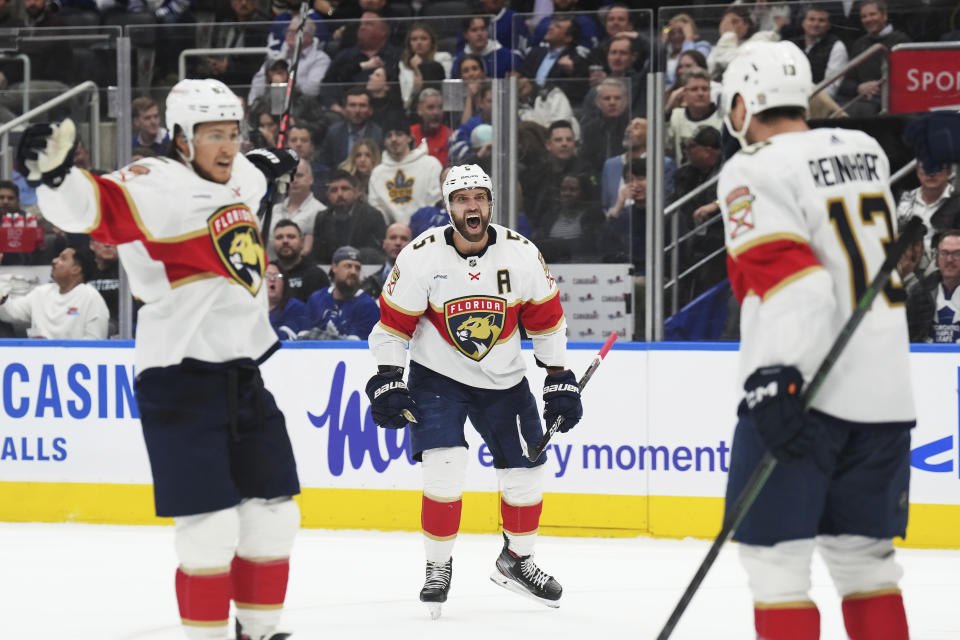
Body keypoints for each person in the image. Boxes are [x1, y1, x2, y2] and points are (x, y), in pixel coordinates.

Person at [17, 79, 302, 640]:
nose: (226, 146)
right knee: (210, 529)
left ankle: (261, 632)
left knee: (275, 516)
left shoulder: (234, 170)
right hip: (178, 377)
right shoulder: (154, 183)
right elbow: (90, 206)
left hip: (244, 373)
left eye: (232, 134)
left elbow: (251, 173)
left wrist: (269, 164)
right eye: (211, 135)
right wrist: (53, 177)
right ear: (179, 138)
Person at [717, 41, 913, 640]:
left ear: (742, 104)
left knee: (775, 566)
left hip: (805, 388)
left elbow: (797, 287)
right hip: (884, 392)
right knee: (865, 563)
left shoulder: (752, 167)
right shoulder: (865, 149)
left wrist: (776, 377)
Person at [365, 163, 582, 619]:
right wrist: (388, 378)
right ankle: (437, 568)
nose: (472, 207)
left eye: (479, 198)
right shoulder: (420, 256)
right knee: (445, 467)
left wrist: (559, 377)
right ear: (448, 207)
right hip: (437, 376)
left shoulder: (521, 254)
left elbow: (546, 321)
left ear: (490, 203)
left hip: (505, 378)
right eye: (462, 200)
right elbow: (393, 327)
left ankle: (517, 562)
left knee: (525, 475)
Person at [0, 246, 108, 339]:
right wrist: (2, 301)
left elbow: (95, 341)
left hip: (75, 360)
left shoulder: (90, 297)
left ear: (76, 269)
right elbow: (11, 312)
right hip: (38, 358)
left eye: (63, 259)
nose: (54, 261)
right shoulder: (41, 293)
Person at [836, 0, 910, 117]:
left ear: (884, 16)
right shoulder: (859, 44)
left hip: (889, 102)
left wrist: (878, 86)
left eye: (872, 14)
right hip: (862, 100)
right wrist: (859, 88)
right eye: (864, 16)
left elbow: (907, 78)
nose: (868, 19)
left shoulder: (900, 42)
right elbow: (846, 82)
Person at [367, 112, 442, 226]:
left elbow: (436, 202)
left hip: (427, 229)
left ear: (409, 138)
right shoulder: (378, 173)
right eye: (389, 136)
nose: (393, 139)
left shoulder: (430, 164)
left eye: (399, 134)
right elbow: (377, 211)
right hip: (392, 235)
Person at [895, 162, 960, 276]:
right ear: (917, 171)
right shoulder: (901, 198)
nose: (931, 173)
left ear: (949, 171)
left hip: (943, 278)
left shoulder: (957, 203)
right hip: (897, 272)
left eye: (938, 167)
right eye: (925, 167)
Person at [302, 245, 379, 340]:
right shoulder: (316, 299)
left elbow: (354, 348)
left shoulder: (368, 306)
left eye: (357, 268)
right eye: (348, 266)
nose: (353, 272)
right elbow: (303, 338)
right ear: (334, 267)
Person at [312, 169, 387, 263]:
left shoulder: (372, 216)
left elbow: (377, 253)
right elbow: (317, 256)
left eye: (345, 189)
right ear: (328, 196)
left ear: (356, 193)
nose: (339, 194)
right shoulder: (321, 218)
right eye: (334, 190)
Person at [268, 158, 326, 259]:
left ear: (311, 179)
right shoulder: (272, 211)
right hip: (271, 270)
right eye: (290, 176)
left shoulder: (321, 212)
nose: (294, 180)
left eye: (299, 175)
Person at [665, 67, 722, 165]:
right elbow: (664, 145)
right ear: (684, 93)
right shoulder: (676, 116)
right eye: (694, 89)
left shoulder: (722, 118)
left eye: (705, 89)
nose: (700, 93)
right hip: (684, 177)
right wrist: (668, 108)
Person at [318, 87, 384, 172]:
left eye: (362, 105)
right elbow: (324, 163)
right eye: (352, 105)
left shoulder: (379, 134)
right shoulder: (334, 132)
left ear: (370, 110)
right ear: (344, 109)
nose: (357, 110)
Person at [791, 3, 849, 99]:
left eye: (821, 20)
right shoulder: (792, 44)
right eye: (811, 19)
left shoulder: (837, 47)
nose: (815, 24)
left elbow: (831, 88)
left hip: (818, 101)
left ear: (828, 25)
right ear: (803, 23)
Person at [399, 22, 453, 110]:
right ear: (409, 44)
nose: (419, 42)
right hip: (413, 108)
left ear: (431, 42)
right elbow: (405, 99)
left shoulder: (443, 58)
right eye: (414, 39)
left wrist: (418, 68)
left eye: (424, 39)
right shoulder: (403, 64)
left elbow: (444, 89)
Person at [273, 219, 330, 302]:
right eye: (279, 237)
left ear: (302, 242)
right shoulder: (266, 273)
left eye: (291, 237)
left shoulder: (316, 275)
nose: (285, 241)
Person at [451, 16, 521, 79]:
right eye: (474, 30)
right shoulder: (459, 61)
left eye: (483, 29)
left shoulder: (508, 57)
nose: (480, 33)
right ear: (465, 34)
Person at [361, 221, 411, 298]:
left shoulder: (423, 281)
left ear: (412, 245)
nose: (398, 243)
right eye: (393, 238)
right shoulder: (370, 283)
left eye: (404, 239)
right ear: (384, 244)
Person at [411, 88, 452, 167]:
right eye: (430, 107)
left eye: (440, 107)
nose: (436, 112)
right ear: (419, 110)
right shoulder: (411, 134)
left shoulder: (450, 136)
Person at [266, 262, 307, 340]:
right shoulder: (249, 308)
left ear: (284, 283)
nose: (272, 279)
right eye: (266, 276)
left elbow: (288, 339)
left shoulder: (297, 308)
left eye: (277, 276)